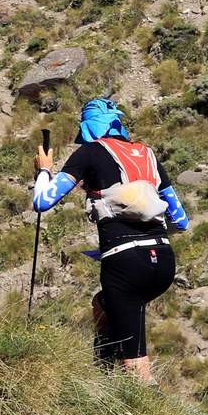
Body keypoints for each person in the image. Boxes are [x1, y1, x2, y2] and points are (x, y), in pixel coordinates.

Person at [31, 98, 189, 383]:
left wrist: (44, 170)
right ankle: (107, 377)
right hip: (163, 262)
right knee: (105, 305)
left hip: (125, 262)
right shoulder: (148, 155)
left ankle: (135, 406)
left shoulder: (89, 153)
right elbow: (181, 220)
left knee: (137, 365)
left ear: (88, 128)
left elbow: (43, 201)